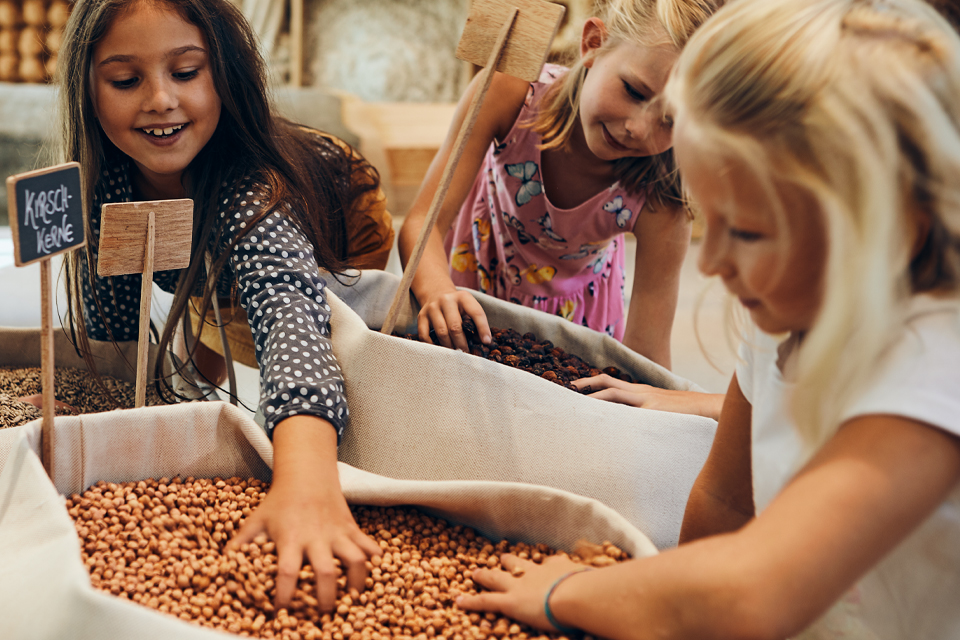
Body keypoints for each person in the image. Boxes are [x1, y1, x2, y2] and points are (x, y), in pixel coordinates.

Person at [456, 0, 960, 637]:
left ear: (887, 223)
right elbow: (723, 499)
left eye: (746, 231)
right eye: (709, 223)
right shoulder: (778, 322)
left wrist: (569, 594)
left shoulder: (935, 368)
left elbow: (753, 592)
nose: (714, 263)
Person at [56, 0, 385, 611]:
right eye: (126, 80)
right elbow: (114, 341)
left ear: (227, 73)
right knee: (208, 322)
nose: (159, 99)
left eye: (186, 72)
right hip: (211, 289)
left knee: (343, 351)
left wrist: (308, 481)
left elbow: (289, 311)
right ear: (87, 89)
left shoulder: (252, 190)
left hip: (337, 221)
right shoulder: (104, 186)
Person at [398, 0, 723, 370]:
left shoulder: (664, 196)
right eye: (634, 91)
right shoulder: (509, 93)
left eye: (670, 120)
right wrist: (436, 290)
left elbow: (645, 359)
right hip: (468, 277)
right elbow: (422, 222)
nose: (638, 128)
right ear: (593, 44)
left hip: (574, 327)